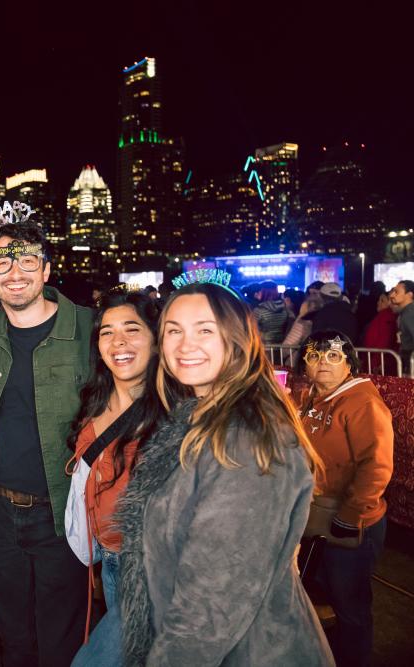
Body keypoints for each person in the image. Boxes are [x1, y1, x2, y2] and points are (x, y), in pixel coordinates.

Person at [114, 277, 332, 665]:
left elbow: (212, 604)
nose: (186, 344)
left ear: (237, 339)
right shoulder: (198, 420)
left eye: (205, 330)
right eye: (173, 330)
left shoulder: (247, 438)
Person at [0, 202, 93, 666]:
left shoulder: (89, 328)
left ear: (45, 267)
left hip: (61, 513)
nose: (15, 272)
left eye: (26, 260)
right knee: (13, 635)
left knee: (61, 638)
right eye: (3, 261)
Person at [66, 289, 163, 666]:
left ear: (156, 339)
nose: (118, 341)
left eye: (131, 329)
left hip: (150, 568)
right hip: (109, 560)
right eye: (106, 332)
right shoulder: (94, 400)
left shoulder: (174, 411)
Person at [296, 331, 394, 666]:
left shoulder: (362, 402)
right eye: (314, 355)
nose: (323, 362)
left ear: (349, 364)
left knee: (350, 606)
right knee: (322, 594)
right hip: (318, 516)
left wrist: (350, 516)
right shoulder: (313, 396)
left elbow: (377, 465)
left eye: (334, 356)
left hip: (352, 522)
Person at [390, 279, 414, 374]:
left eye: (396, 292)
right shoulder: (406, 312)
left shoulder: (409, 313)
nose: (392, 295)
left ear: (409, 295)